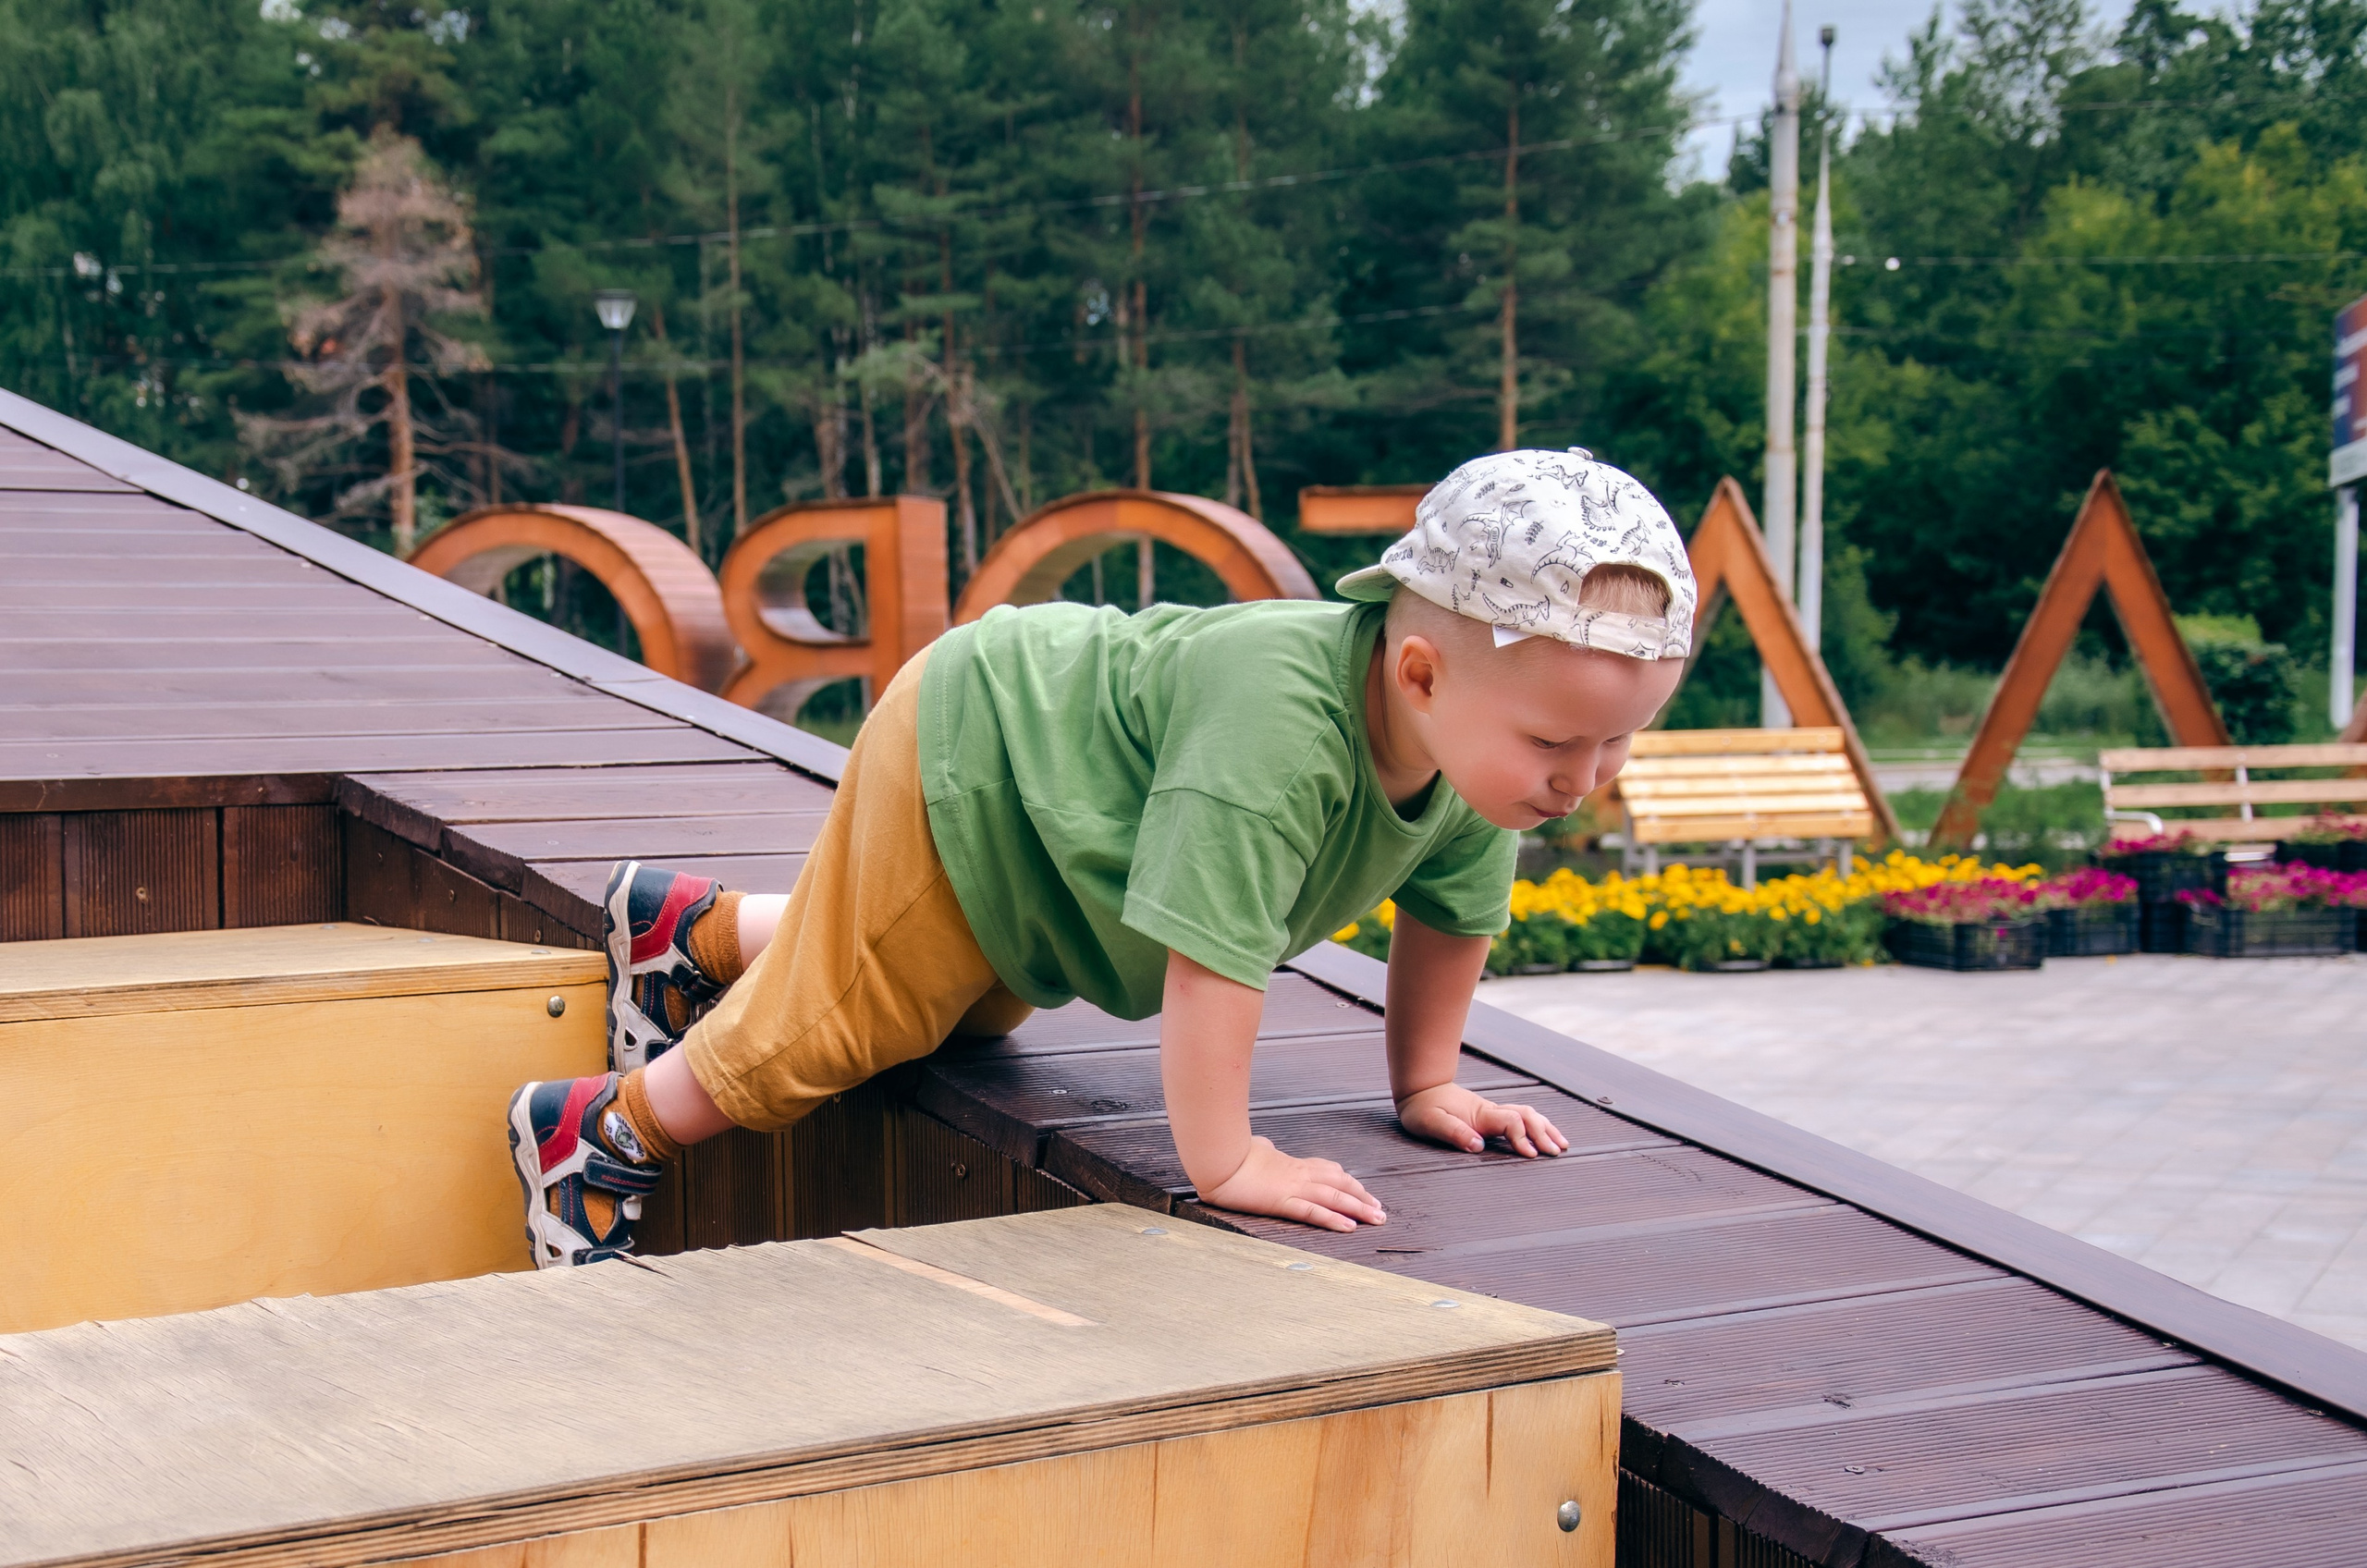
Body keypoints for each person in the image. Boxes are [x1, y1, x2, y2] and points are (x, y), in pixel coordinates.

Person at [507, 447, 1696, 1267]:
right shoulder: (1281, 723)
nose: (1579, 780)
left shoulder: (1475, 770)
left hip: (1058, 832)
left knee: (966, 1006)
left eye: (1616, 742)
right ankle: (595, 1134)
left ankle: (692, 933)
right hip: (986, 751)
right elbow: (1210, 965)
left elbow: (1450, 923)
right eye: (1554, 741)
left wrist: (1424, 1084)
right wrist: (1224, 1158)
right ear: (1420, 673)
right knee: (852, 1012)